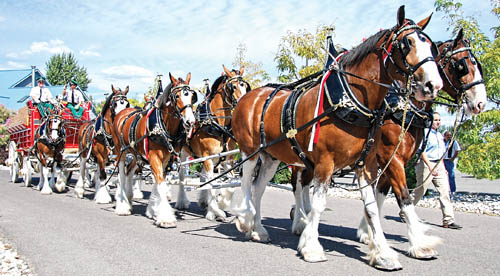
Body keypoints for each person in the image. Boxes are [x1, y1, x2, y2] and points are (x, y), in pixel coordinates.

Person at [412, 112, 462, 230]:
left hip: (439, 164)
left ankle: (448, 220)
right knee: (420, 191)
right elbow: (421, 151)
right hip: (426, 163)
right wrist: (429, 166)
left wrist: (443, 168)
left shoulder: (439, 135)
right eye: (435, 120)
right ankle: (406, 211)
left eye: (439, 120)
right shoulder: (424, 133)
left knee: (445, 192)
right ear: (430, 121)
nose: (438, 122)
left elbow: (441, 153)